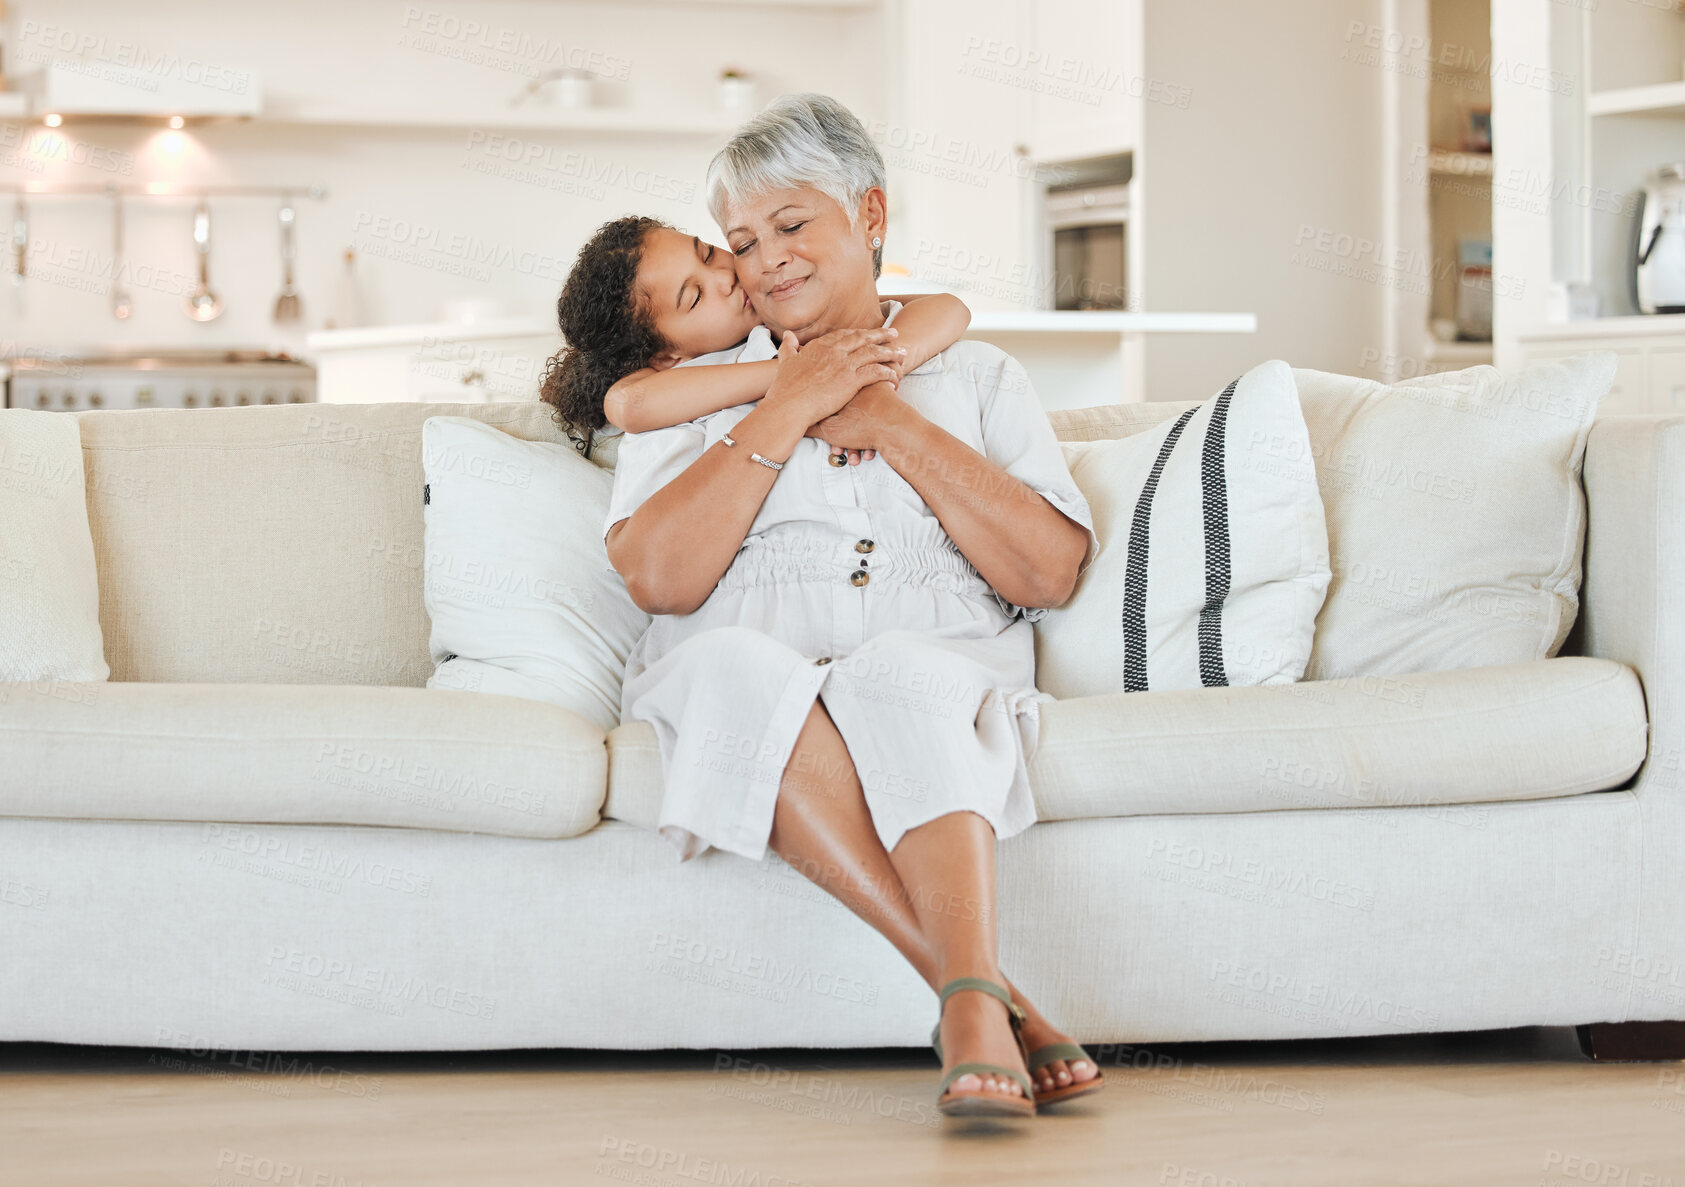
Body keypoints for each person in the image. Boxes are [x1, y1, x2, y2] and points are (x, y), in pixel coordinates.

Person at [567, 93, 1105, 1118]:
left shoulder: (975, 373)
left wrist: (888, 420)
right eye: (738, 242)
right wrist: (788, 403)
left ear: (868, 213)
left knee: (903, 673)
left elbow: (1045, 575)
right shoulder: (701, 382)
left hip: (931, 656)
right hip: (739, 649)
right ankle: (974, 998)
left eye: (790, 224)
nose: (763, 260)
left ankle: (969, 1001)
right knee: (733, 668)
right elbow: (660, 579)